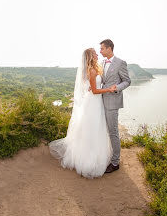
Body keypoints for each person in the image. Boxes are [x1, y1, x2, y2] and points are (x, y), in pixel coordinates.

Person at [48, 48, 117, 179]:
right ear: (91, 56)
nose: (98, 54)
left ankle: (97, 156)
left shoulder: (95, 68)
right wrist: (109, 89)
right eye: (95, 53)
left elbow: (93, 87)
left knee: (98, 128)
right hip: (93, 102)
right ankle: (89, 161)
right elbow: (95, 91)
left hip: (96, 102)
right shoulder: (91, 70)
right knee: (92, 129)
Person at [99, 39, 131, 173]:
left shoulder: (120, 63)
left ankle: (115, 162)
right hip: (100, 101)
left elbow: (127, 81)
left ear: (109, 49)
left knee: (113, 132)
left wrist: (116, 87)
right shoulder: (101, 63)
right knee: (104, 131)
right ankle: (107, 155)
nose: (100, 51)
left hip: (112, 102)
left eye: (102, 49)